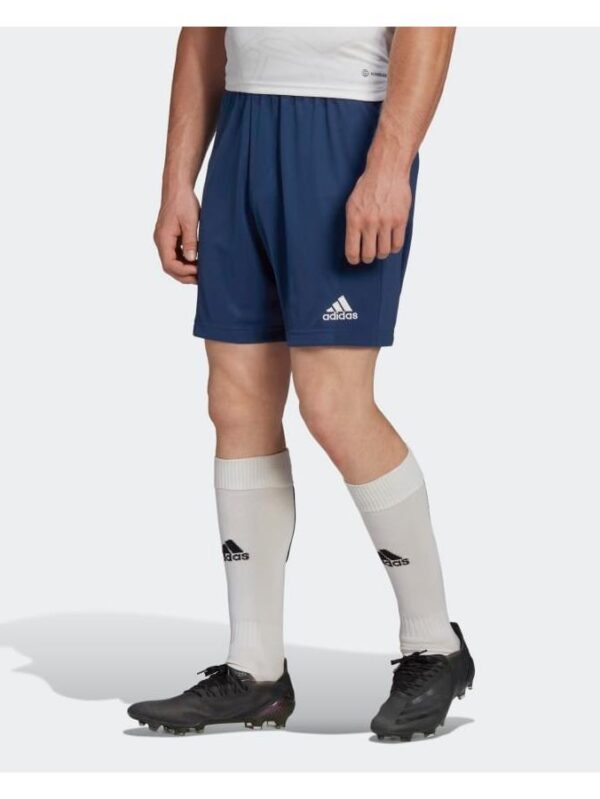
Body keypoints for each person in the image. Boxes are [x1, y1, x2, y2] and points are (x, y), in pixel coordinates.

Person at [127, 26, 474, 742]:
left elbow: (430, 23)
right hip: (244, 131)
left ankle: (434, 643)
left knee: (335, 405)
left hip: (343, 130)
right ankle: (254, 669)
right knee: (235, 402)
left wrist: (389, 164)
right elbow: (203, 35)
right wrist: (177, 182)